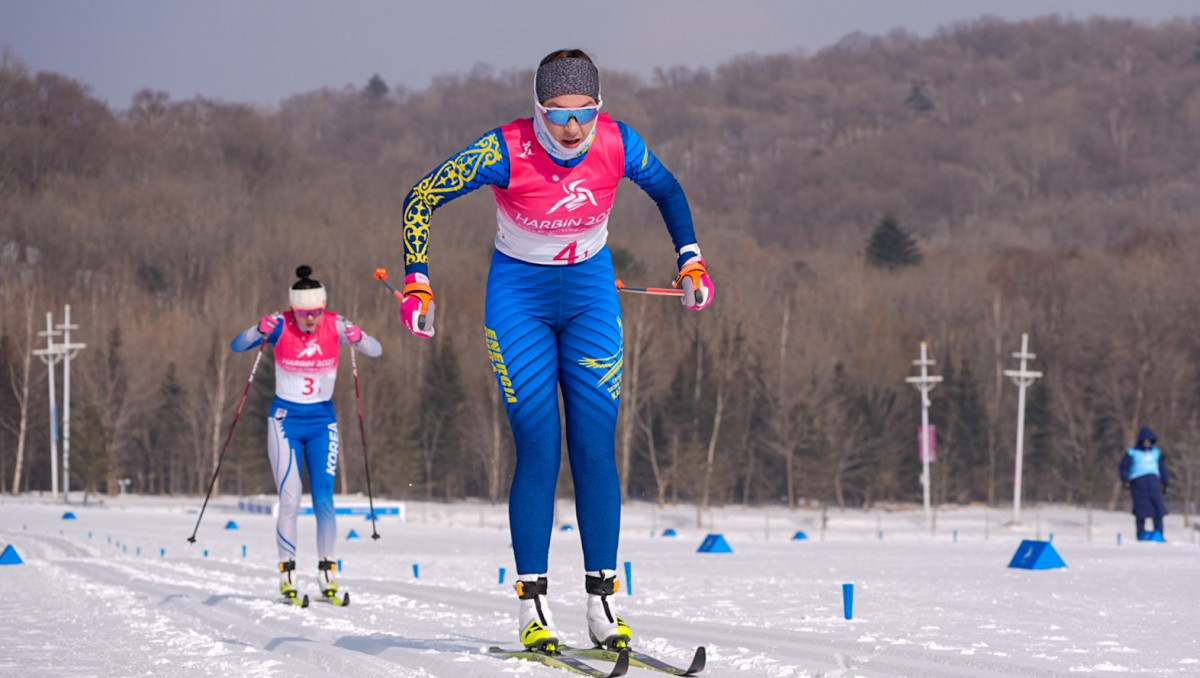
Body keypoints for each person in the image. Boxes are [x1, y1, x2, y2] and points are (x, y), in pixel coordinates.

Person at [395, 49, 714, 652]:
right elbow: (421, 198)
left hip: (592, 294)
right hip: (519, 299)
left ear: (600, 108)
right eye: (556, 114)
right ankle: (533, 607)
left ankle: (602, 605)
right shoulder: (503, 149)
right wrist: (417, 279)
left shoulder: (618, 144)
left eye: (584, 114)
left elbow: (669, 192)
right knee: (539, 443)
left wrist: (691, 260)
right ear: (535, 109)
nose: (572, 129)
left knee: (595, 442)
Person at [231, 265, 382, 604]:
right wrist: (258, 330)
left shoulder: (336, 325)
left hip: (322, 421)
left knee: (325, 501)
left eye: (316, 312)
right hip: (285, 420)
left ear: (324, 307)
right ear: (293, 309)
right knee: (290, 498)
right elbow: (237, 345)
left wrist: (359, 336)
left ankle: (327, 573)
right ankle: (287, 573)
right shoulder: (281, 324)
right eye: (303, 313)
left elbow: (376, 350)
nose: (310, 319)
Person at [1119, 426, 1170, 542]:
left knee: (1158, 510)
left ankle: (1159, 534)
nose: (1147, 444)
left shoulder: (1156, 453)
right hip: (1138, 483)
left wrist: (1165, 481)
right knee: (1140, 511)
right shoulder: (1132, 452)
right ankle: (1141, 534)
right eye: (1145, 441)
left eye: (1149, 441)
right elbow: (1124, 467)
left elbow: (1162, 468)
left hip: (1154, 483)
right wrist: (1125, 479)